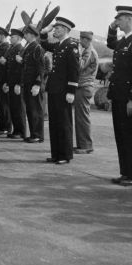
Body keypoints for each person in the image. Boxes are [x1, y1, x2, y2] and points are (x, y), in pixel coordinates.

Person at [106, 6, 132, 186]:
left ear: (130, 19)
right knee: (121, 135)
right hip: (119, 95)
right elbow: (111, 43)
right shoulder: (125, 41)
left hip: (129, 97)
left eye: (120, 19)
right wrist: (111, 29)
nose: (118, 22)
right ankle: (126, 172)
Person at [40, 16, 80, 164]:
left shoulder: (71, 46)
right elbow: (43, 44)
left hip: (64, 91)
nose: (54, 30)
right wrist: (45, 31)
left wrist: (71, 91)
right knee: (55, 123)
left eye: (57, 28)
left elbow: (74, 70)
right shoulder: (59, 45)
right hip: (55, 89)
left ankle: (65, 155)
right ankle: (56, 153)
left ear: (64, 29)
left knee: (64, 123)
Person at [19, 25, 46, 143]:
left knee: (35, 110)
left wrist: (38, 83)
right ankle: (33, 133)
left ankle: (37, 135)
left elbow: (41, 67)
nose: (24, 36)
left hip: (33, 84)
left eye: (26, 33)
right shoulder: (29, 47)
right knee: (30, 109)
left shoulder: (37, 48)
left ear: (32, 35)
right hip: (27, 83)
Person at [74, 31, 99, 154]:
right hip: (84, 87)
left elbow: (80, 66)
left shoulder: (89, 51)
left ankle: (86, 145)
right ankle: (82, 144)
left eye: (81, 39)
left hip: (84, 87)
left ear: (87, 40)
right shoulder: (88, 50)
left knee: (82, 117)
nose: (80, 41)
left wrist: (77, 52)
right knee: (80, 117)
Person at [5, 28, 26, 139]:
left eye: (12, 37)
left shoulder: (20, 49)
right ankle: (16, 130)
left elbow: (21, 69)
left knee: (19, 108)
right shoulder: (13, 49)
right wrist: (8, 83)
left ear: (18, 38)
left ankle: (21, 131)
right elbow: (10, 69)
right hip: (12, 82)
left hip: (17, 84)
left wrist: (19, 83)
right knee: (13, 107)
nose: (10, 38)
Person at [0, 27, 12, 135]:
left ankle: (6, 127)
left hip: (3, 81)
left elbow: (7, 68)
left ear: (2, 36)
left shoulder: (5, 47)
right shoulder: (2, 47)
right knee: (1, 105)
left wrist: (6, 82)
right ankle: (3, 126)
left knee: (4, 105)